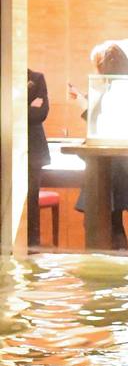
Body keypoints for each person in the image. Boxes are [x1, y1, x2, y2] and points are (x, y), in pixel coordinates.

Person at [71, 42, 128, 249]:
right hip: (112, 161)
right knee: (110, 221)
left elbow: (108, 124)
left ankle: (111, 272)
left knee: (105, 223)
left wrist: (86, 107)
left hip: (112, 161)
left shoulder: (122, 88)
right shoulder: (119, 86)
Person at [27, 69, 50, 247]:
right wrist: (28, 105)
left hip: (34, 150)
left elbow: (41, 112)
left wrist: (18, 109)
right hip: (10, 148)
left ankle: (32, 244)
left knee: (31, 197)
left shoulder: (36, 78)